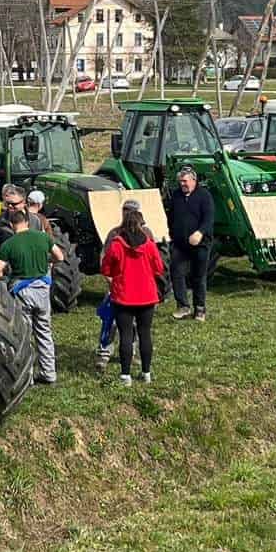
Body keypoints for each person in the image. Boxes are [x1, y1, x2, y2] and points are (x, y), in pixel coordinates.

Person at [0, 208, 63, 383]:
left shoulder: (8, 244)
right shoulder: (43, 237)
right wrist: (48, 263)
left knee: (24, 335)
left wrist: (5, 277)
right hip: (42, 289)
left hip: (22, 291)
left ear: (11, 225)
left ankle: (28, 376)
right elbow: (60, 257)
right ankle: (49, 373)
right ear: (28, 223)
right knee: (44, 332)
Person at [100, 198, 166, 386]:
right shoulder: (150, 244)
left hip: (124, 296)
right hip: (147, 296)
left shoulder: (116, 244)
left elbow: (106, 268)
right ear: (140, 224)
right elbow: (159, 268)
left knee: (126, 334)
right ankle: (146, 373)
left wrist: (117, 274)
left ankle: (125, 375)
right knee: (145, 334)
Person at [166, 165, 215, 320]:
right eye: (180, 181)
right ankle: (183, 306)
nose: (182, 184)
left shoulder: (204, 196)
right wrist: (171, 234)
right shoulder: (176, 196)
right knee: (177, 273)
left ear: (194, 180)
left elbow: (209, 218)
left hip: (200, 244)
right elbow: (170, 216)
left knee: (198, 276)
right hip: (180, 245)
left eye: (185, 181)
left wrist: (200, 232)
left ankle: (200, 309)